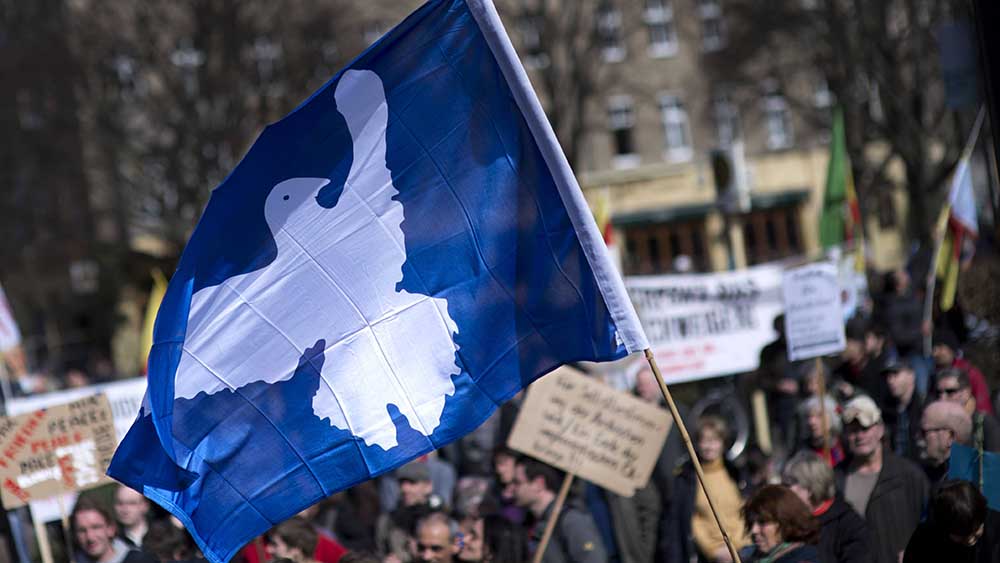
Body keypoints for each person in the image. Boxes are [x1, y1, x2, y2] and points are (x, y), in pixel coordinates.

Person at [834, 396, 929, 563]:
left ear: (880, 429)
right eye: (853, 430)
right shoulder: (837, 478)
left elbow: (930, 522)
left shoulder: (908, 474)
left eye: (865, 428)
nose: (859, 436)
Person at [664, 416, 749, 563]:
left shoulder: (736, 473)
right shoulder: (686, 478)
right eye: (704, 441)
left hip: (743, 550)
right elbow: (690, 520)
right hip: (710, 555)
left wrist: (736, 547)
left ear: (723, 443)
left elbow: (745, 511)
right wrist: (713, 551)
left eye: (714, 441)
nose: (709, 446)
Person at [782, 451, 871, 563]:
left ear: (809, 487)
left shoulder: (849, 526)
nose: (784, 491)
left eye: (790, 484)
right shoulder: (787, 524)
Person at [512, 458, 606, 563]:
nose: (512, 488)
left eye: (517, 482)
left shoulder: (571, 519)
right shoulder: (531, 523)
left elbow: (593, 559)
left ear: (539, 484)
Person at [902, 481, 993, 562]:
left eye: (976, 530)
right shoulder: (924, 540)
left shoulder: (995, 530)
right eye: (962, 536)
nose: (970, 540)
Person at [741, 484, 821, 562]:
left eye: (762, 522)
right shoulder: (750, 555)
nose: (754, 530)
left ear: (786, 522)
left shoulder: (804, 558)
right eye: (751, 522)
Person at [376, 462, 438, 562]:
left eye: (412, 483)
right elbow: (379, 551)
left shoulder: (441, 517)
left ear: (428, 486)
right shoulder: (388, 521)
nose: (405, 489)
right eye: (401, 483)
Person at [934, 368, 1000, 452]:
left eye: (950, 392)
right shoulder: (934, 425)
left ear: (966, 393)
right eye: (938, 393)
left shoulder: (985, 424)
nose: (942, 399)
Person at [71, 498, 156, 563]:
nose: (90, 537)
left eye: (96, 527)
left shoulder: (141, 560)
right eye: (82, 530)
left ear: (110, 529)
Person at [930, 329, 992, 414]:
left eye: (940, 347)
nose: (935, 353)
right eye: (933, 348)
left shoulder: (970, 372)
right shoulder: (933, 375)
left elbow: (983, 405)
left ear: (951, 349)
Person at [917, 400, 972, 486]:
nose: (919, 439)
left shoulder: (966, 483)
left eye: (924, 432)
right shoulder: (921, 474)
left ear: (950, 437)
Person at [879, 360, 924, 461]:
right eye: (888, 376)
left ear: (911, 376)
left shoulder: (925, 407)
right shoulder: (887, 410)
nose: (890, 380)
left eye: (895, 374)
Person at [795, 396, 845, 467]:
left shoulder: (844, 446)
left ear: (832, 418)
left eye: (819, 416)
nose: (811, 422)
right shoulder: (801, 451)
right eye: (808, 416)